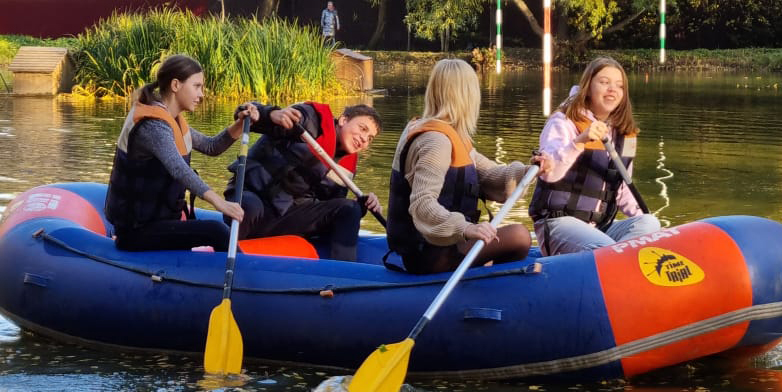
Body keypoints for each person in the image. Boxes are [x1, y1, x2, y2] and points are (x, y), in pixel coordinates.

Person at [387, 58, 547, 274]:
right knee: (519, 236)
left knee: (511, 235)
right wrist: (466, 228)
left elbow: (489, 174)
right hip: (429, 253)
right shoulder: (436, 142)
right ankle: (490, 285)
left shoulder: (447, 135)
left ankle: (483, 275)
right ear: (467, 96)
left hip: (437, 246)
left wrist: (528, 172)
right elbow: (422, 205)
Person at [104, 53, 257, 252]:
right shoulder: (153, 126)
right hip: (136, 231)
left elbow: (211, 147)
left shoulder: (171, 119)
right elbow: (179, 169)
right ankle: (245, 271)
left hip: (159, 222)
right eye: (197, 86)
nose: (201, 94)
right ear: (176, 85)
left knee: (217, 230)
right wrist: (220, 203)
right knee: (217, 231)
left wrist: (240, 124)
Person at [529, 56, 661, 255]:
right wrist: (579, 141)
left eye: (619, 86)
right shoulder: (563, 122)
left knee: (650, 223)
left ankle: (619, 261)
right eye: (604, 82)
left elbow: (623, 190)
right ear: (588, 87)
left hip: (600, 227)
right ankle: (613, 260)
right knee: (605, 250)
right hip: (559, 223)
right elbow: (550, 174)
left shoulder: (625, 135)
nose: (612, 89)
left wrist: (656, 233)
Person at [224, 101, 382, 261]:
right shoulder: (309, 118)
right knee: (250, 208)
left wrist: (360, 206)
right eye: (362, 129)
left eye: (370, 138)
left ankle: (343, 273)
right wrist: (271, 114)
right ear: (344, 120)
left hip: (286, 216)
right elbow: (248, 114)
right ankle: (224, 255)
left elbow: (329, 206)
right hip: (253, 197)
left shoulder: (346, 168)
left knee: (349, 209)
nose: (364, 139)